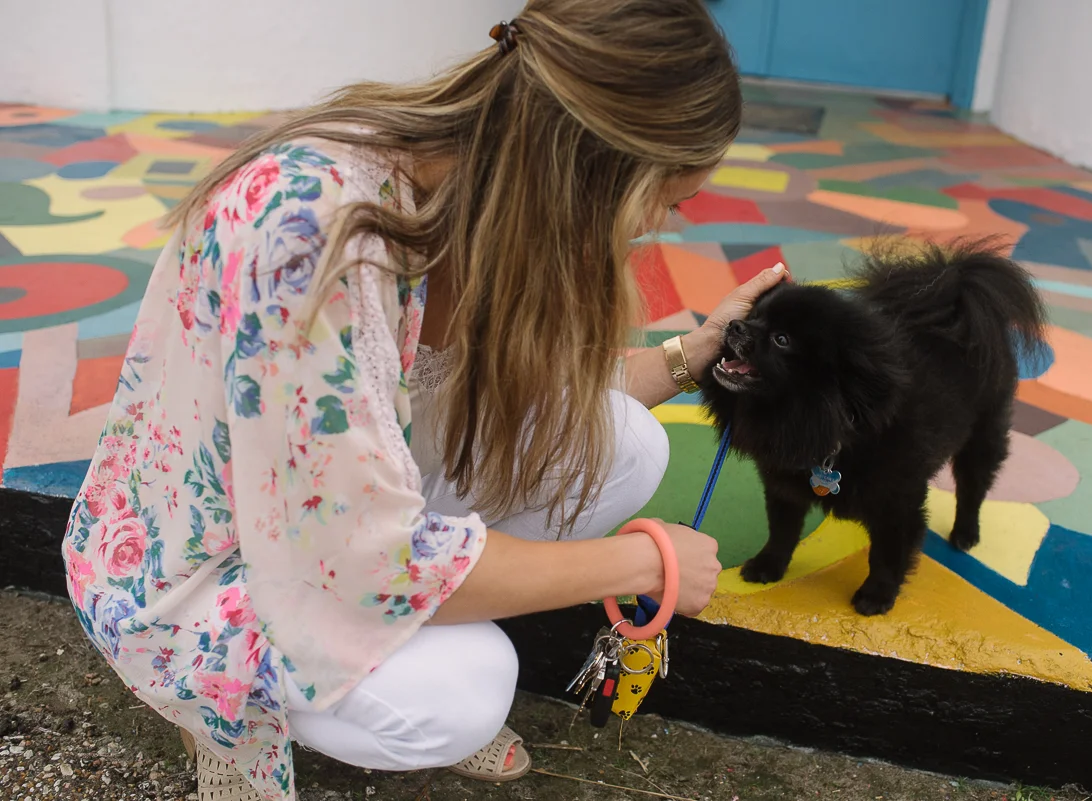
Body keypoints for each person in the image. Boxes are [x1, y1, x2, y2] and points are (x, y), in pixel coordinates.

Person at [61, 1, 787, 799]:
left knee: (625, 443)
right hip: (204, 568)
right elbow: (367, 564)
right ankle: (232, 715)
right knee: (461, 688)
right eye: (666, 201)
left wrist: (696, 350)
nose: (652, 228)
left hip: (333, 512)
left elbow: (534, 388)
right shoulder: (318, 233)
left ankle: (392, 651)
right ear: (592, 164)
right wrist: (644, 560)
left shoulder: (465, 185)